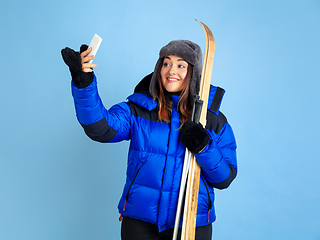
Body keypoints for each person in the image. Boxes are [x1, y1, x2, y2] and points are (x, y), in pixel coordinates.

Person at [61, 40, 237, 240]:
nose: (171, 71)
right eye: (166, 63)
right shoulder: (138, 109)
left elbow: (224, 178)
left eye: (181, 65)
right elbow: (100, 128)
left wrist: (204, 147)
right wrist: (84, 84)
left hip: (191, 223)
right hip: (140, 222)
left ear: (193, 74)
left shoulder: (212, 120)